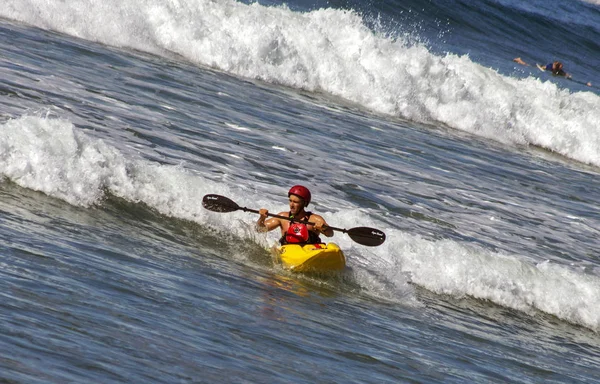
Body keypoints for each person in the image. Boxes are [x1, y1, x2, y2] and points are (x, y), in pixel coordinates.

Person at [256, 185, 334, 245]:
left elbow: (330, 233)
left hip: (309, 253)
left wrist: (323, 228)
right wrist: (262, 218)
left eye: (296, 202)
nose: (291, 205)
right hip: (289, 254)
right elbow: (259, 229)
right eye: (290, 201)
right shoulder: (282, 217)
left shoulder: (315, 219)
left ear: (304, 203)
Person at [514, 57, 591, 86]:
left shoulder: (558, 71)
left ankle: (586, 83)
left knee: (571, 79)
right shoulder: (550, 66)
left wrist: (568, 75)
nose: (553, 65)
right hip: (541, 67)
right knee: (528, 65)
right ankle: (519, 60)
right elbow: (543, 67)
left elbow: (566, 74)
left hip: (550, 70)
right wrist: (541, 68)